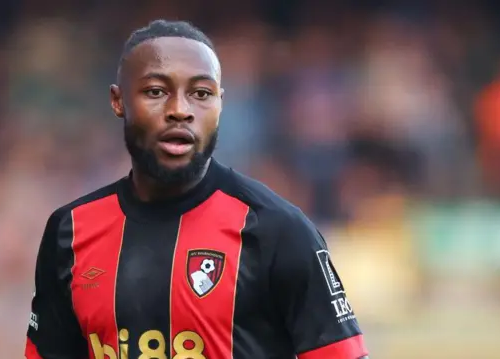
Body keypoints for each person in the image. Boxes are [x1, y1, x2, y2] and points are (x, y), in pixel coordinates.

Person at [24, 19, 369, 359]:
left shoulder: (278, 230)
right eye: (156, 92)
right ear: (118, 101)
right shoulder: (68, 232)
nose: (180, 110)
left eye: (201, 94)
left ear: (219, 105)